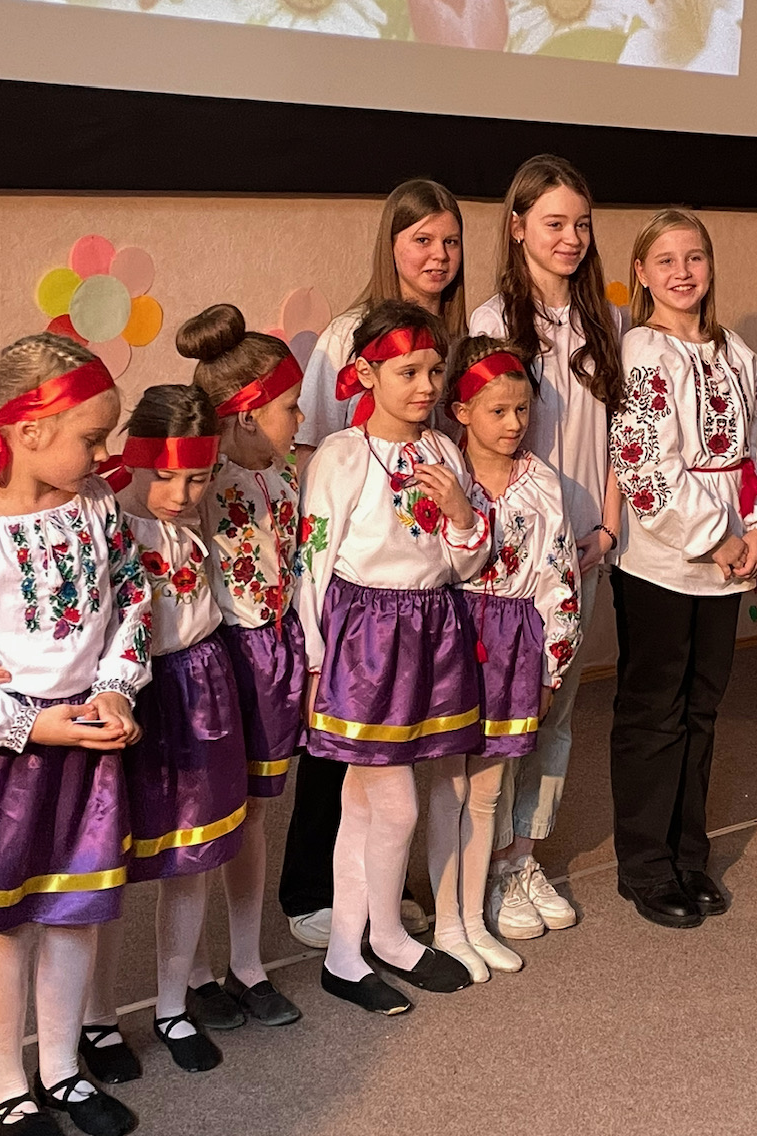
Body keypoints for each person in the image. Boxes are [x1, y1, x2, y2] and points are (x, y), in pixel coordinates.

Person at [283, 178, 468, 948]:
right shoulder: (347, 335)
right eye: (421, 239)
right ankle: (310, 891)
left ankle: (379, 890)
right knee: (339, 748)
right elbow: (315, 450)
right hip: (357, 587)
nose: (437, 255)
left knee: (401, 748)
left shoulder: (453, 333)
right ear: (391, 243)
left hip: (422, 580)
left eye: (450, 241)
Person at [295, 300, 490, 1014]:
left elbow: (461, 565)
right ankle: (385, 936)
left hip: (430, 631)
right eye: (407, 372)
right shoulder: (342, 456)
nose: (425, 386)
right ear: (367, 373)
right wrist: (314, 660)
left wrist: (463, 515)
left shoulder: (443, 451)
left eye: (434, 371)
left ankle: (348, 953)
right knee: (396, 805)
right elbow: (312, 564)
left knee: (361, 804)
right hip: (365, 644)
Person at [609, 208, 757, 927]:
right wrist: (715, 537)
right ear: (642, 272)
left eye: (694, 258)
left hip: (729, 558)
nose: (682, 273)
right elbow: (641, 465)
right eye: (665, 260)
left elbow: (756, 447)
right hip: (662, 560)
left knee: (701, 706)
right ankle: (645, 865)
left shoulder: (732, 351)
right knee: (654, 709)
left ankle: (689, 854)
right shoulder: (642, 352)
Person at [0, 335, 149, 1136]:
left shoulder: (96, 506)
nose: (103, 454)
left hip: (86, 738)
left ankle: (60, 1068)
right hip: (7, 758)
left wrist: (116, 686)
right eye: (91, 437)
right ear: (28, 431)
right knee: (6, 926)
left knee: (76, 910)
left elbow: (134, 596)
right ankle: (3, 1079)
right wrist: (25, 721)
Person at [469, 154, 624, 939]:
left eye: (581, 224)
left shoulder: (607, 321)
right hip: (514, 558)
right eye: (554, 223)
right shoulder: (492, 322)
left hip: (585, 549)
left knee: (557, 708)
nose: (570, 238)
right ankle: (486, 864)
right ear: (517, 227)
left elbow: (622, 436)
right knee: (506, 710)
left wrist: (606, 527)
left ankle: (523, 856)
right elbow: (476, 441)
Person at [80, 385, 248, 1079]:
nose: (180, 495)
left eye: (197, 478)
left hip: (198, 684)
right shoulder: (101, 519)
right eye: (166, 476)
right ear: (135, 458)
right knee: (107, 865)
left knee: (193, 855)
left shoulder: (190, 519)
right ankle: (95, 1020)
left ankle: (173, 1004)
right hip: (127, 700)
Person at [427, 336, 582, 981]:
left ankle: (475, 918)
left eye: (522, 410)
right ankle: (446, 924)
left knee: (488, 788)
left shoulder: (541, 483)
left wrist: (550, 666)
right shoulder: (440, 470)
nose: (514, 424)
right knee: (448, 786)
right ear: (462, 411)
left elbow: (559, 577)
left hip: (515, 642)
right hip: (451, 635)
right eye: (498, 411)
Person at [177, 306, 305, 1028]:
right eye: (289, 407)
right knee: (207, 818)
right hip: (219, 659)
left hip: (273, 655)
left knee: (255, 814)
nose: (300, 419)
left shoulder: (282, 477)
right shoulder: (199, 487)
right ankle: (193, 973)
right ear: (249, 414)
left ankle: (247, 962)